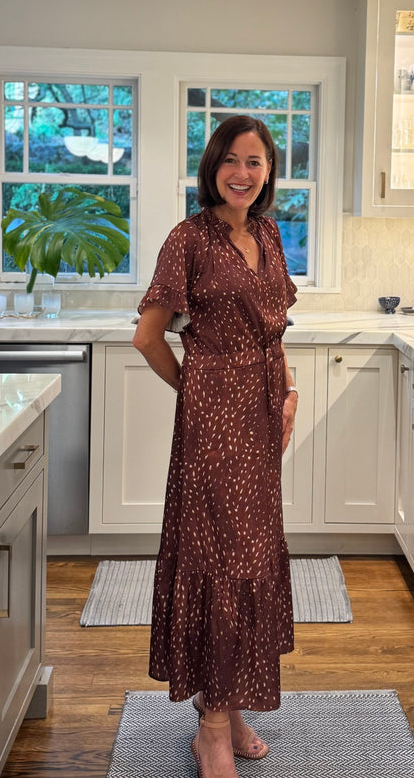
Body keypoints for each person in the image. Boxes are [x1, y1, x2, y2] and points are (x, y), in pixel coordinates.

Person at [133, 114, 298, 778]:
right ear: (212, 167)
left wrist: (288, 392)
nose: (242, 173)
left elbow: (274, 329)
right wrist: (195, 390)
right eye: (231, 160)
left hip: (263, 415)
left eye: (254, 161)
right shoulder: (189, 238)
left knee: (252, 554)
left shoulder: (268, 232)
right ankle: (210, 729)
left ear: (268, 171)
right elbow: (148, 336)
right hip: (214, 424)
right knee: (221, 557)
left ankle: (224, 705)